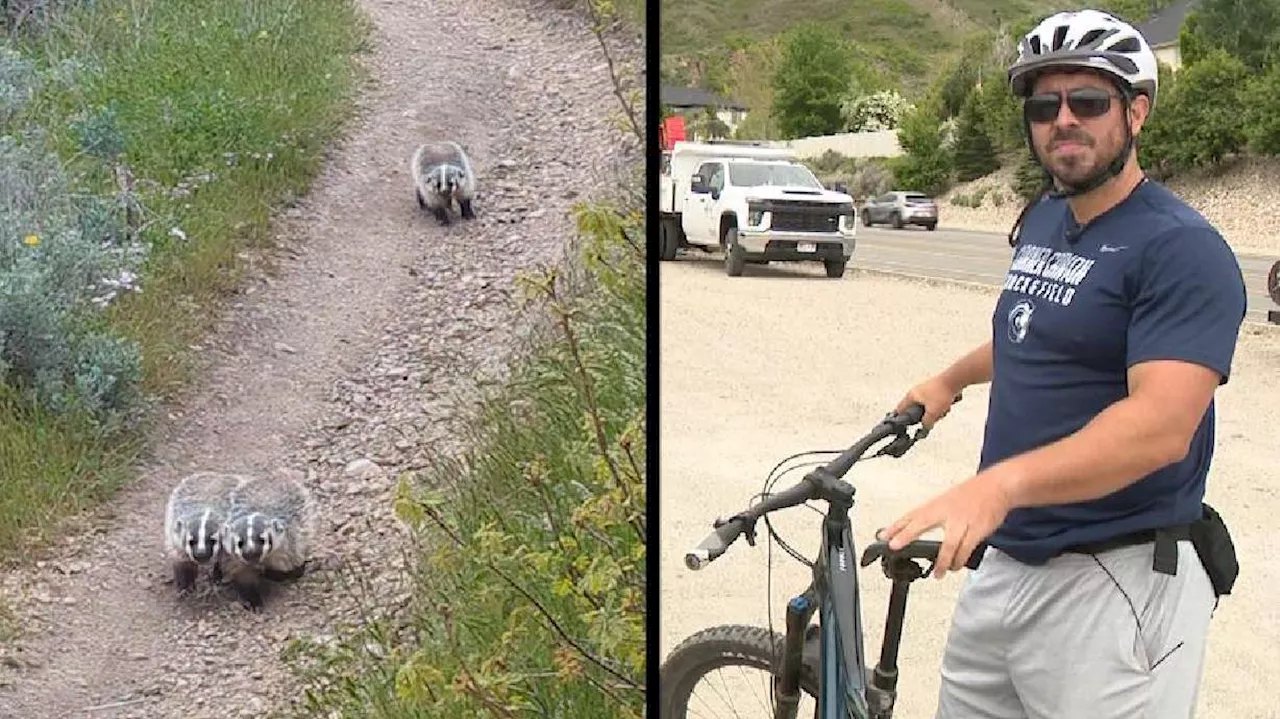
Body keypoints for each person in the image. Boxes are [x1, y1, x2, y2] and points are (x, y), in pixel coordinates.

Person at [876, 9, 1247, 719]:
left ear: (1136, 111)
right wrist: (950, 380)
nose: (1063, 120)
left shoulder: (1181, 250)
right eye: (1045, 105)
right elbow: (1034, 330)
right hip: (1008, 562)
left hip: (1115, 577)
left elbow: (1162, 425)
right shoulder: (1049, 215)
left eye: (1088, 101)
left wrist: (998, 487)